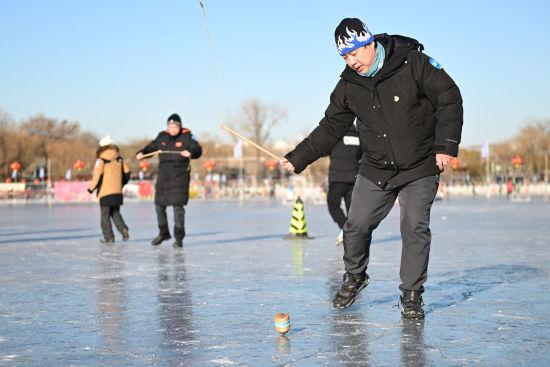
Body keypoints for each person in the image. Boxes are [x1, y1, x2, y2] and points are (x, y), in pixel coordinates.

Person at [280, 18, 463, 319]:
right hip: (376, 167)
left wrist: (446, 144)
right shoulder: (348, 86)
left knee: (414, 227)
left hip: (420, 164)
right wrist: (298, 157)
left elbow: (449, 97)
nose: (351, 62)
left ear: (369, 43)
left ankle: (412, 294)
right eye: (344, 57)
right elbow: (330, 127)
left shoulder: (413, 62)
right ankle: (355, 276)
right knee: (356, 225)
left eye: (354, 53)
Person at [136, 114, 202, 248]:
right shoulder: (162, 137)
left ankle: (178, 238)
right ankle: (163, 233)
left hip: (180, 178)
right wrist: (142, 152)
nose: (172, 129)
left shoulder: (187, 136)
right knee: (159, 205)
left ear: (179, 126)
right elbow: (151, 147)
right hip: (163, 177)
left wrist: (190, 152)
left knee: (178, 208)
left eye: (175, 126)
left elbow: (197, 149)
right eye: (170, 126)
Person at [88, 135, 131, 243]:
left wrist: (91, 188)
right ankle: (123, 229)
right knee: (115, 212)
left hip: (105, 192)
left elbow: (97, 176)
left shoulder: (101, 160)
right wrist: (121, 184)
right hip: (117, 192)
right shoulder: (119, 159)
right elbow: (127, 173)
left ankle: (109, 237)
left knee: (105, 215)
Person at [327, 122, 362, 245]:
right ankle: (354, 235)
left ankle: (346, 230)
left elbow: (324, 148)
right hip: (353, 177)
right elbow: (361, 154)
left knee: (333, 204)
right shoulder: (358, 135)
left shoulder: (336, 134)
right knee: (351, 210)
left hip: (337, 177)